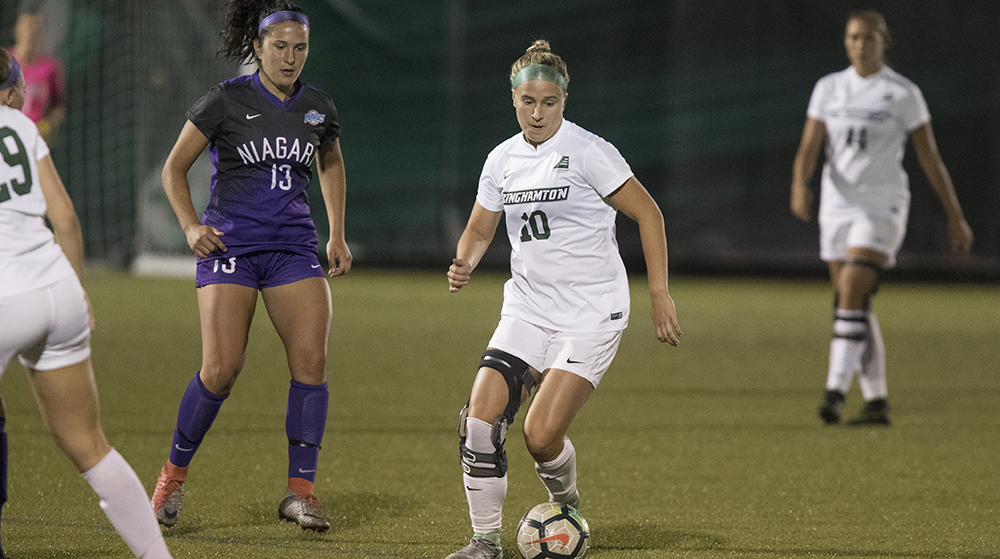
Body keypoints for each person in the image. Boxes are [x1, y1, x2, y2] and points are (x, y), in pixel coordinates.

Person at [445, 40, 681, 559]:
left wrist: (658, 294)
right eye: (528, 101)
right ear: (513, 98)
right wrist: (465, 259)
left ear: (564, 101)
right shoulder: (501, 159)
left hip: (592, 315)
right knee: (479, 423)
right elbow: (480, 229)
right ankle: (484, 544)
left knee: (540, 436)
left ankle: (566, 504)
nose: (537, 112)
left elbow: (650, 215)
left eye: (548, 102)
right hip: (528, 309)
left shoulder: (589, 151)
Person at [150, 0, 351, 533]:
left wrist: (336, 232)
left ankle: (300, 493)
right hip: (230, 250)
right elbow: (174, 169)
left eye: (300, 47)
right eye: (280, 47)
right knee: (220, 369)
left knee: (311, 364)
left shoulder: (318, 106)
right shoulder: (226, 99)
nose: (290, 58)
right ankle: (172, 477)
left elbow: (330, 161)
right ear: (258, 47)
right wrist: (191, 226)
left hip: (292, 249)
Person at [0, 48, 172, 559]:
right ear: (10, 92)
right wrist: (77, 291)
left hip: (6, 298)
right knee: (89, 445)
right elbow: (67, 218)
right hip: (56, 288)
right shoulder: (24, 128)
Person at [791, 10, 973, 426]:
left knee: (852, 287)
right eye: (854, 38)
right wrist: (799, 183)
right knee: (852, 302)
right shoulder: (830, 87)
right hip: (837, 205)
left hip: (883, 204)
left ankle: (834, 393)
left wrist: (955, 215)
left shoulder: (902, 93)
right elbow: (809, 146)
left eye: (869, 38)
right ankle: (877, 402)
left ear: (883, 42)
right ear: (845, 42)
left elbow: (930, 158)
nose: (860, 45)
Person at [9, 4, 66, 143]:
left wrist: (48, 125)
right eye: (28, 25)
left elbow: (58, 108)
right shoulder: (4, 61)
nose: (31, 31)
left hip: (34, 140)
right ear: (17, 28)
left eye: (36, 27)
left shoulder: (51, 66)